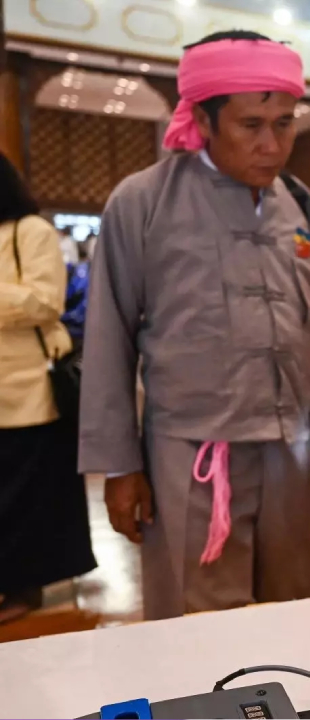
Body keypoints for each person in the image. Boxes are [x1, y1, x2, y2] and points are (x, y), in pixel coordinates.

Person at [78, 31, 310, 620]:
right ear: (203, 119)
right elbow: (108, 339)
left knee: (292, 609)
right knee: (199, 620)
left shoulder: (300, 204)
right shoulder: (143, 203)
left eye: (285, 123)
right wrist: (120, 466)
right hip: (191, 456)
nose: (272, 145)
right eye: (251, 125)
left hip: (289, 451)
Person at [0, 151, 96, 624]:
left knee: (25, 497)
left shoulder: (31, 232)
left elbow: (44, 302)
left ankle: (25, 587)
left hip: (28, 392)